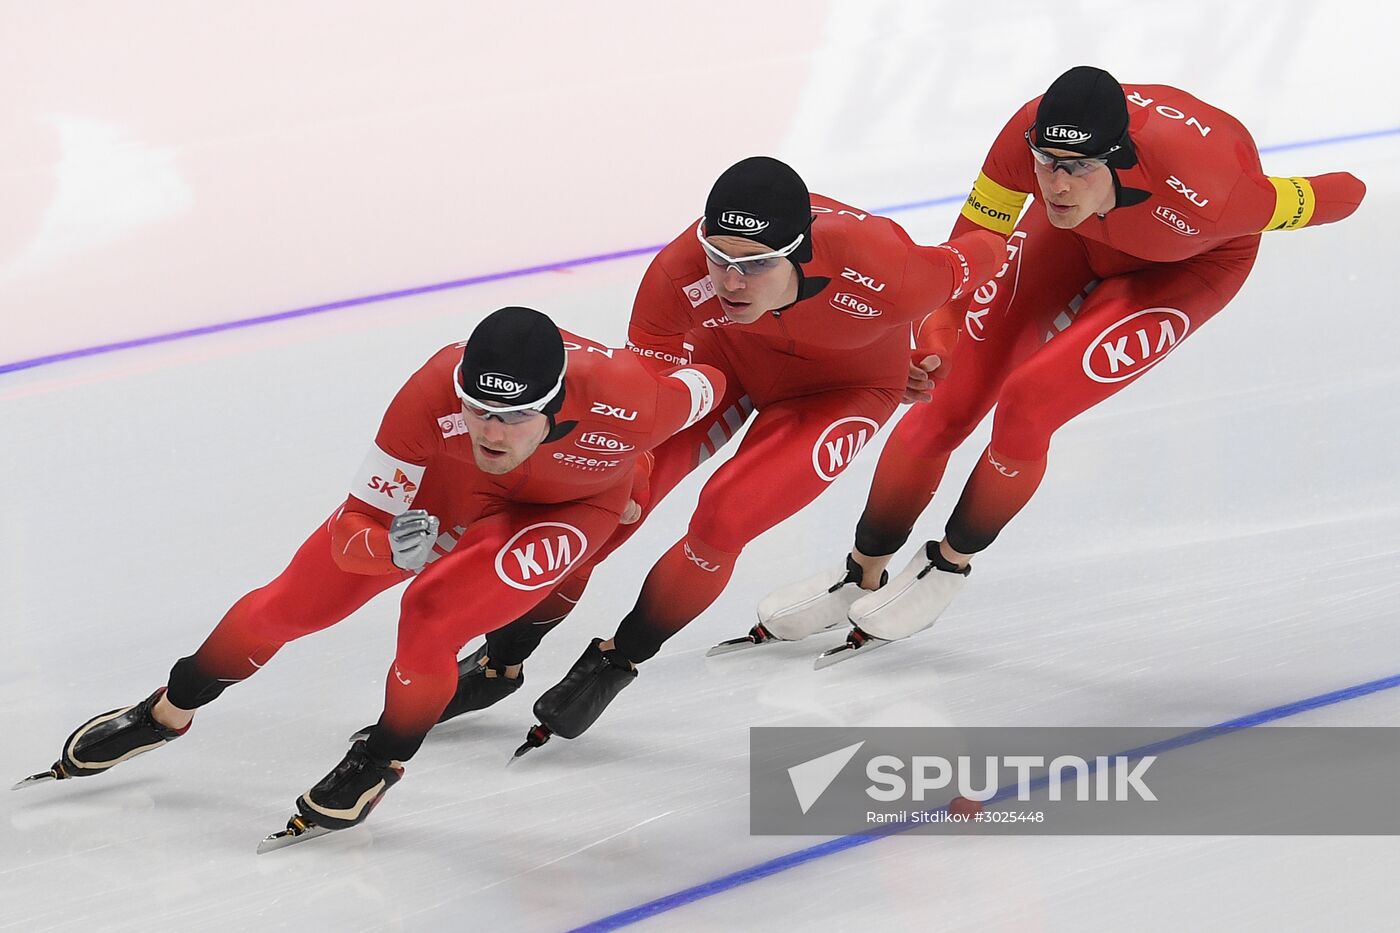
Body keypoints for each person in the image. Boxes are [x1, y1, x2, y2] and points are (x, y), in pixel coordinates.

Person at [20, 306, 725, 842]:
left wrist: (639, 462)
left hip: (565, 507)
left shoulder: (627, 396)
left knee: (430, 612)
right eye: (477, 407)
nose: (489, 431)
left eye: (512, 417)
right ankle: (167, 709)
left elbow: (714, 382)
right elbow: (358, 521)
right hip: (442, 497)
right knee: (287, 605)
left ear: (554, 406)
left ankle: (382, 760)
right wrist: (389, 550)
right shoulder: (429, 392)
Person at [753, 65, 1367, 662]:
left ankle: (950, 563)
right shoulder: (1026, 142)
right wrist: (939, 327)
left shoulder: (1216, 194)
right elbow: (973, 241)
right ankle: (862, 572)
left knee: (1029, 402)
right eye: (1048, 164)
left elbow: (1346, 192)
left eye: (1077, 168)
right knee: (947, 392)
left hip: (1183, 269)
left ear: (1119, 158)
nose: (1057, 184)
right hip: (1072, 239)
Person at [410, 156, 1008, 755]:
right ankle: (502, 661)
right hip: (719, 365)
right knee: (607, 506)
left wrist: (933, 346)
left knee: (726, 513)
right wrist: (633, 474)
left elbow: (983, 251)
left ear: (799, 253)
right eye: (719, 258)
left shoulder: (887, 268)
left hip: (841, 391)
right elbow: (642, 402)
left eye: (755, 265)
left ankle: (621, 659)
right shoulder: (677, 274)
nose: (730, 282)